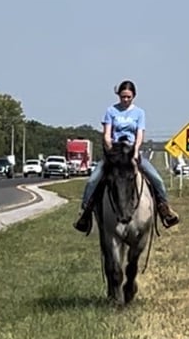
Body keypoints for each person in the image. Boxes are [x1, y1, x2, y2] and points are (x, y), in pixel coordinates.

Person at [73, 80, 180, 233]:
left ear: (134, 96)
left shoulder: (139, 113)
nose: (125, 100)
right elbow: (107, 135)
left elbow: (140, 134)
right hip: (115, 152)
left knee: (156, 179)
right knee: (92, 180)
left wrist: (135, 151)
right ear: (119, 96)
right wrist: (110, 151)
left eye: (128, 97)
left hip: (132, 151)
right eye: (123, 97)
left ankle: (165, 209)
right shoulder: (111, 111)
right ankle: (85, 213)